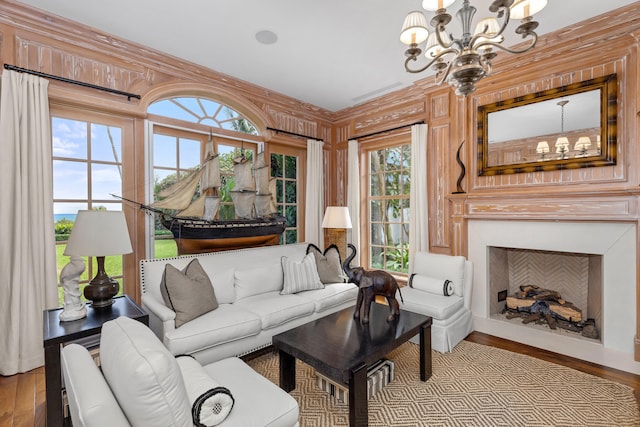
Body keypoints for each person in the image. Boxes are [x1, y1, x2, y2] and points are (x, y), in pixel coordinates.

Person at [59, 256, 87, 321]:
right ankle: (70, 309)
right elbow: (63, 278)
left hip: (73, 288)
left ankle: (75, 308)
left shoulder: (78, 266)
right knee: (71, 297)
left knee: (74, 296)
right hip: (68, 286)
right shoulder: (69, 267)